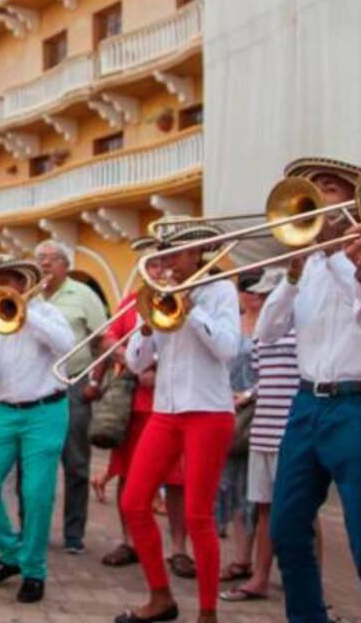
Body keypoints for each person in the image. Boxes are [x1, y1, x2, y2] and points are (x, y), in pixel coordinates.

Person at [258, 157, 361, 623]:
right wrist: (291, 273)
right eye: (310, 189)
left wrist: (348, 265)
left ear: (355, 197)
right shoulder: (306, 264)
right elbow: (265, 332)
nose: (317, 196)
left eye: (327, 187)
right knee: (287, 531)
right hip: (306, 406)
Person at [117, 224, 240, 623]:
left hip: (209, 410)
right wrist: (147, 327)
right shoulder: (158, 293)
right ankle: (160, 597)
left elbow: (226, 348)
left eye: (175, 253)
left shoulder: (220, 290)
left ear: (198, 253)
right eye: (164, 254)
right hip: (166, 411)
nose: (166, 260)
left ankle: (207, 613)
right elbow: (135, 363)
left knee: (198, 515)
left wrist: (191, 308)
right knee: (134, 502)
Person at [0, 254, 74, 604]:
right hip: (4, 411)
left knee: (37, 493)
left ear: (23, 283)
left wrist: (26, 316)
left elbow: (66, 346)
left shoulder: (46, 312)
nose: (1, 288)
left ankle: (33, 571)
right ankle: (12, 553)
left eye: (7, 280)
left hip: (46, 411)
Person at [94, 236, 191, 575]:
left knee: (177, 481)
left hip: (174, 400)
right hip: (135, 403)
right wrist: (133, 364)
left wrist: (158, 368)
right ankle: (130, 542)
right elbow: (107, 338)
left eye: (164, 263)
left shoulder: (187, 298)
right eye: (152, 264)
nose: (158, 269)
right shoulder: (133, 300)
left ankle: (179, 548)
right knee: (127, 474)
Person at [220, 267, 303, 604]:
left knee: (303, 512)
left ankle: (301, 581)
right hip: (262, 429)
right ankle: (260, 577)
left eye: (270, 294)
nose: (266, 300)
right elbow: (260, 375)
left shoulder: (302, 329)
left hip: (293, 430)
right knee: (264, 507)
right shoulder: (263, 335)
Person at [34, 238, 108, 555]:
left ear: (66, 265)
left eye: (51, 258)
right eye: (39, 258)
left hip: (73, 384)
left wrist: (95, 379)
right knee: (36, 462)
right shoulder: (30, 296)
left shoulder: (84, 295)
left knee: (75, 462)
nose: (44, 264)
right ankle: (33, 528)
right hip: (36, 385)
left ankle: (74, 534)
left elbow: (103, 340)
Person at [215, 270, 259, 583]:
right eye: (247, 287)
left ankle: (255, 559)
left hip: (259, 410)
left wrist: (249, 394)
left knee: (255, 489)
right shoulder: (232, 322)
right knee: (229, 484)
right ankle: (240, 557)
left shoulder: (275, 320)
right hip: (228, 409)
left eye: (258, 288)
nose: (253, 293)